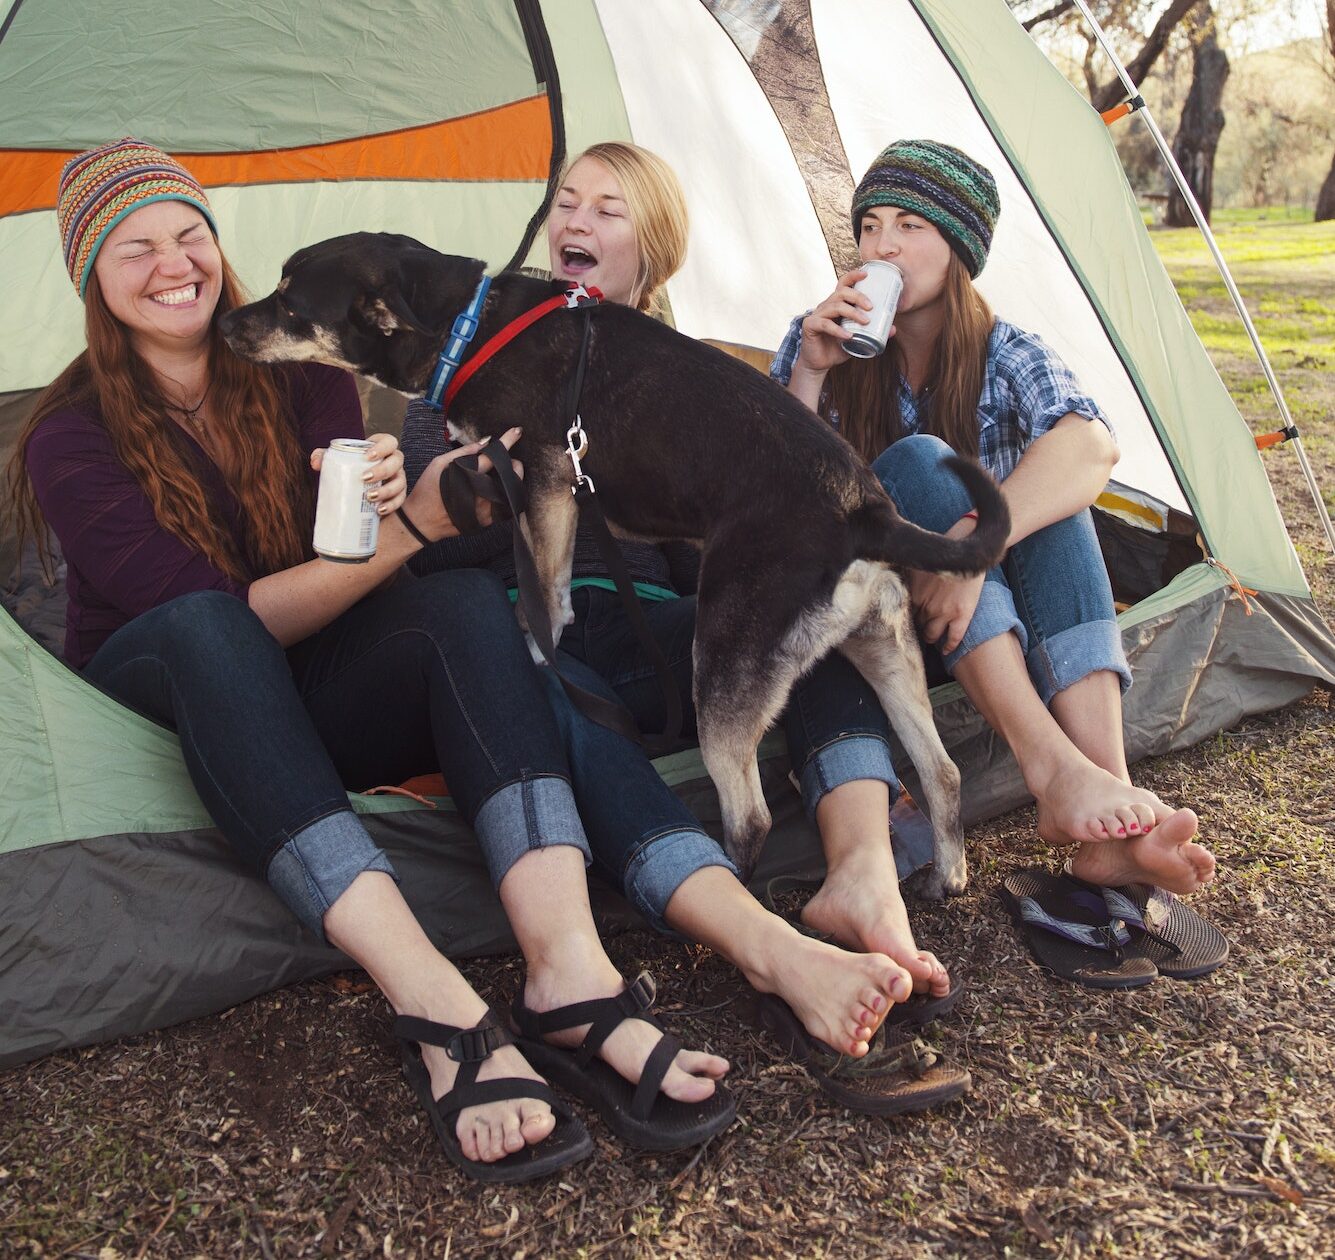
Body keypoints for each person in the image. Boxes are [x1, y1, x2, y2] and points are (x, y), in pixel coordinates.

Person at [7, 138, 734, 1183]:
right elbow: (226, 616)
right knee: (212, 630)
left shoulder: (303, 370)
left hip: (305, 681)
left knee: (459, 605)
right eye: (135, 249)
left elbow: (349, 583)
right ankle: (431, 995)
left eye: (189, 234)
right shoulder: (65, 437)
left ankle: (569, 971)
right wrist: (416, 528)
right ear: (92, 277)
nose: (174, 264)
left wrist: (393, 508)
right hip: (166, 694)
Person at [402, 142, 963, 1087]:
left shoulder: (684, 373)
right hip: (538, 636)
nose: (574, 224)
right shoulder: (471, 375)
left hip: (670, 624)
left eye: (608, 211)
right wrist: (467, 484)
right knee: (558, 707)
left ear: (652, 251)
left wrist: (807, 379)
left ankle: (860, 870)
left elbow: (766, 512)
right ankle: (751, 935)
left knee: (811, 627)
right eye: (566, 204)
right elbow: (435, 540)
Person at [773, 138, 1216, 897]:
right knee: (919, 461)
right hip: (871, 615)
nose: (881, 245)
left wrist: (972, 552)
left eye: (909, 227)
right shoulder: (820, 344)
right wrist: (811, 371)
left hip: (984, 625)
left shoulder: (1004, 351)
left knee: (1054, 503)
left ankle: (1108, 806)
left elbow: (1090, 446)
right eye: (870, 225)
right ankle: (1051, 772)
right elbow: (774, 505)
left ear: (958, 250)